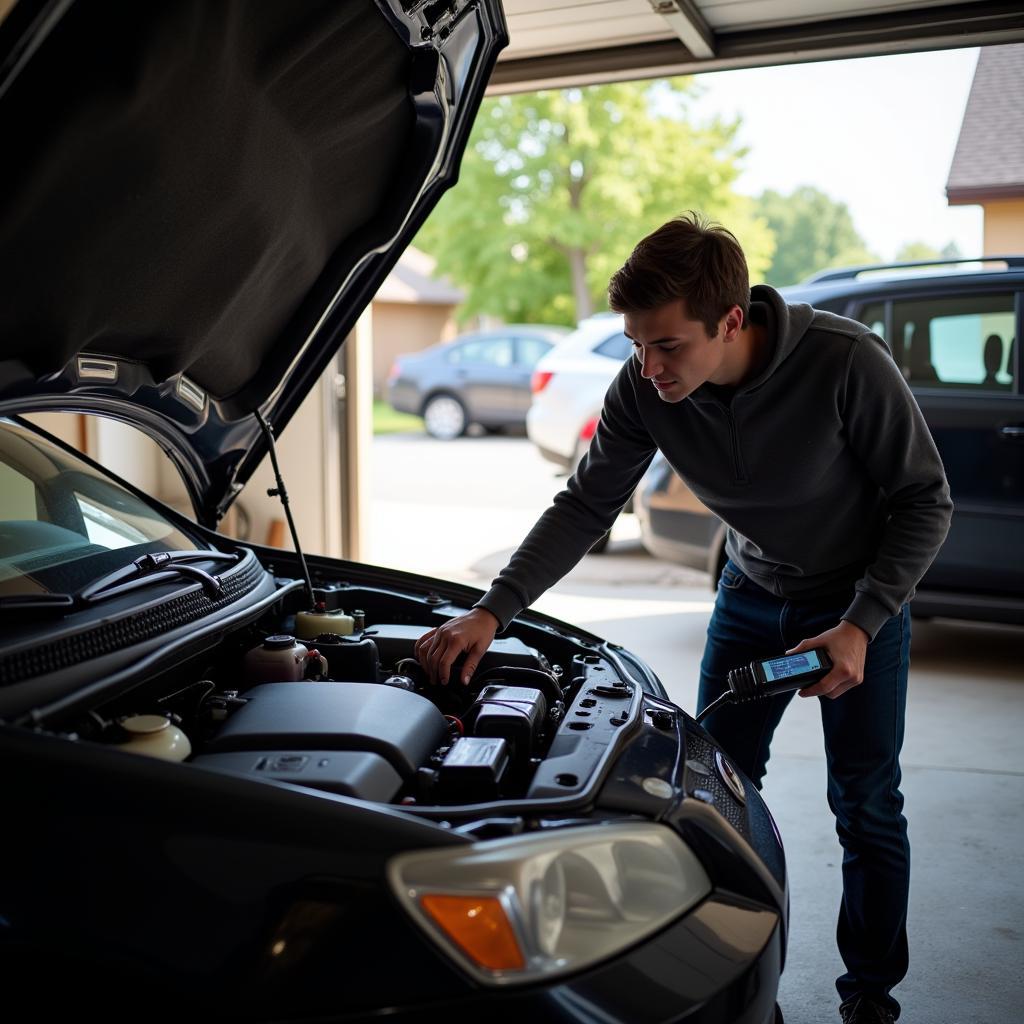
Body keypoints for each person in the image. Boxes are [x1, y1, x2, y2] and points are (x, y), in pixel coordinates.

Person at [415, 212, 952, 1024]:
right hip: (746, 596)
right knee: (710, 796)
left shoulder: (846, 364)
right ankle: (727, 979)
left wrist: (863, 622)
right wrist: (495, 610)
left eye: (667, 345)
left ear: (731, 321)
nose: (648, 365)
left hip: (854, 606)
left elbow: (925, 500)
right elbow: (586, 503)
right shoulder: (644, 386)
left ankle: (870, 996)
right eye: (636, 343)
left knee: (867, 803)